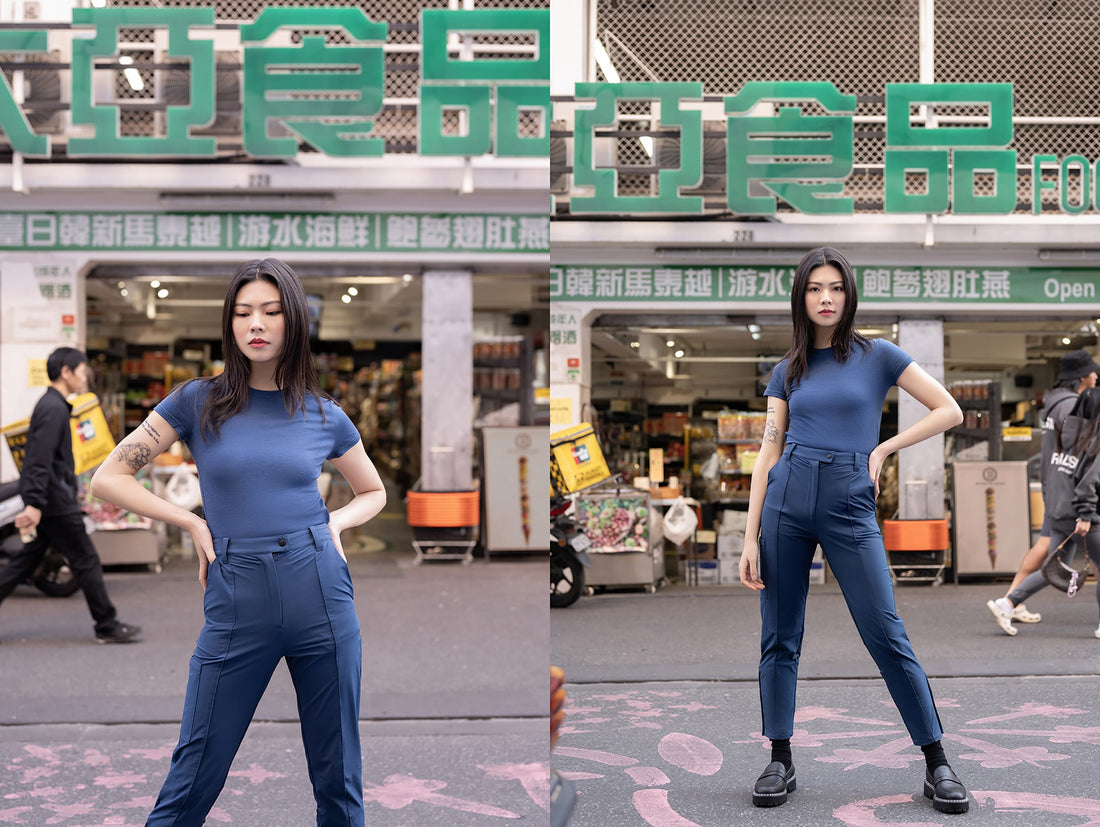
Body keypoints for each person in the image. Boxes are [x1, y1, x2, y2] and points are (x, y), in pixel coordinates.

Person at [91, 259, 386, 826]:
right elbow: (109, 477)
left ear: (293, 322)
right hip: (236, 592)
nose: (257, 324)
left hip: (319, 588)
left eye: (272, 312)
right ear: (228, 323)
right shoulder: (196, 402)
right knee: (196, 767)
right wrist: (193, 522)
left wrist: (336, 524)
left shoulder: (323, 414)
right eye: (244, 312)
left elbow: (372, 491)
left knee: (339, 774)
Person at [739, 247, 969, 814]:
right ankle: (780, 757)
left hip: (849, 499)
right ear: (802, 296)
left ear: (849, 295)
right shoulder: (786, 369)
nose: (825, 298)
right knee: (779, 635)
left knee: (886, 631)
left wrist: (885, 448)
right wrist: (749, 537)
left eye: (836, 288)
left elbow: (949, 409)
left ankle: (937, 761)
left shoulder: (879, 355)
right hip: (786, 500)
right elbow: (768, 450)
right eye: (815, 288)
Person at [0, 347, 140, 644]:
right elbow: (38, 459)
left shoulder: (54, 405)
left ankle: (107, 624)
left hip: (51, 498)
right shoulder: (52, 408)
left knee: (25, 561)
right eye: (80, 371)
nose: (84, 376)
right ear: (66, 372)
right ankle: (107, 625)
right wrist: (35, 503)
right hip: (54, 501)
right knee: (86, 559)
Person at [986, 348, 1099, 635]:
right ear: (1082, 377)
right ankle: (1012, 601)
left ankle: (1009, 602)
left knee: (1057, 562)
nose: (1096, 376)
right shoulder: (1073, 411)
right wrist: (1085, 511)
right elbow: (1086, 470)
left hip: (1059, 498)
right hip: (1079, 509)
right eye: (1093, 372)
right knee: (1055, 557)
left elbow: (1060, 459)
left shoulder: (1053, 404)